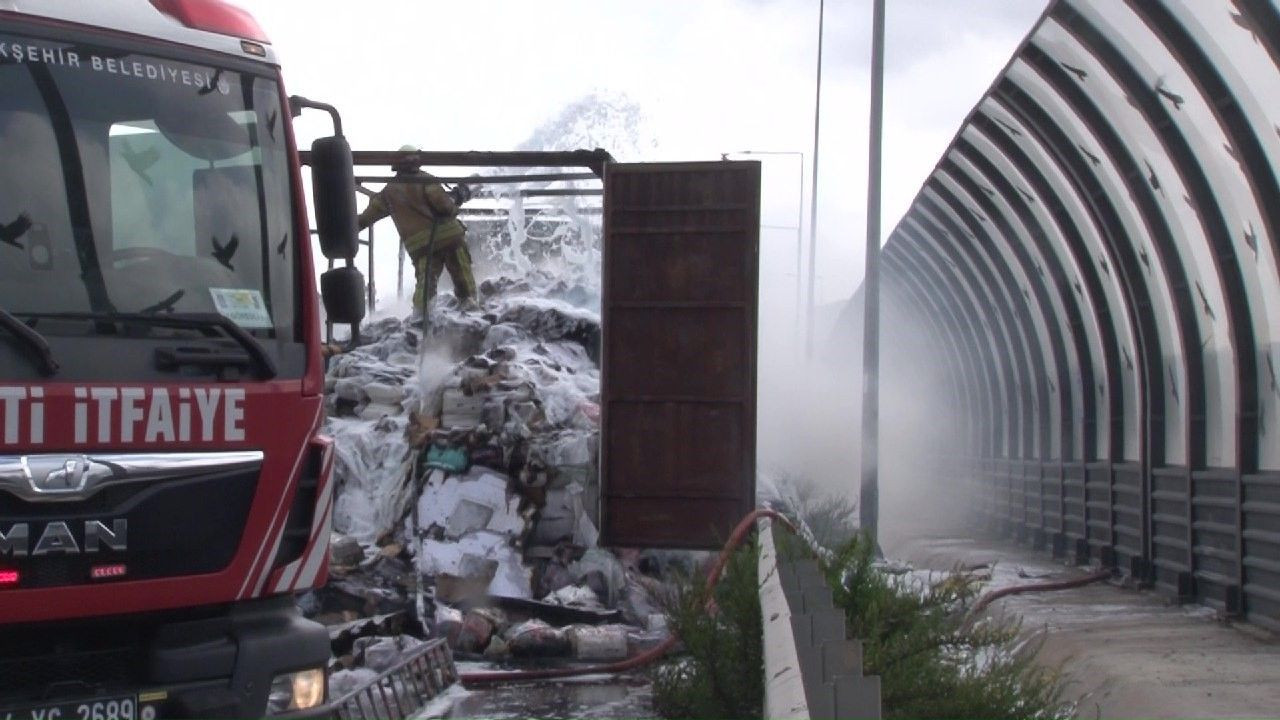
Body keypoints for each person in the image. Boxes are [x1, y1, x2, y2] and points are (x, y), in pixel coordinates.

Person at [357, 145, 478, 312]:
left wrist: (345, 228)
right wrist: (456, 199)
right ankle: (470, 309)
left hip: (421, 248)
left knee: (425, 284)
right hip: (449, 238)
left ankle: (420, 318)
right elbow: (444, 207)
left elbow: (365, 218)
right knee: (462, 276)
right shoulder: (426, 180)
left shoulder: (388, 192)